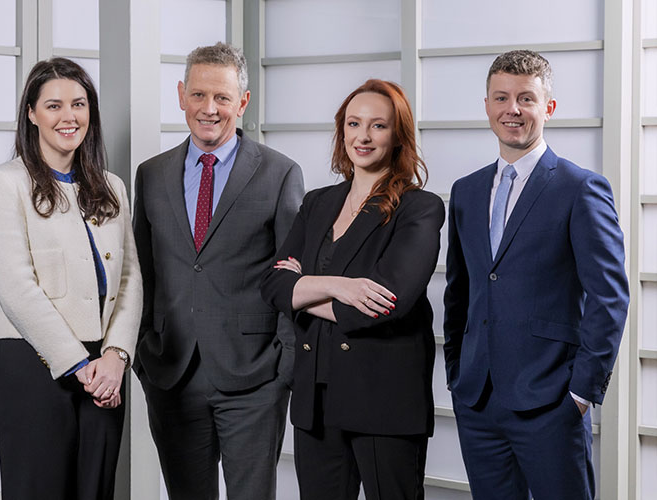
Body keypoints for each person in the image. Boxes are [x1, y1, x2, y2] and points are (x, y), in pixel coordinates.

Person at [443, 50, 629, 499]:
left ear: (548, 107)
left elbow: (610, 297)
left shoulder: (580, 188)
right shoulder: (466, 191)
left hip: (551, 402)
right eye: (502, 98)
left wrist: (581, 394)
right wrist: (456, 371)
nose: (513, 109)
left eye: (526, 98)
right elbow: (460, 291)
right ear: (486, 105)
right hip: (478, 401)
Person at [132, 42, 304, 500]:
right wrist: (143, 354)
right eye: (199, 95)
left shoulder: (279, 173)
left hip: (254, 377)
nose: (209, 109)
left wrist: (284, 366)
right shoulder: (151, 175)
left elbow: (292, 277)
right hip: (171, 371)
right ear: (181, 94)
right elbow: (141, 273)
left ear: (242, 102)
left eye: (223, 98)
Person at [261, 79, 444, 500]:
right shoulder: (317, 202)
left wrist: (303, 292)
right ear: (341, 131)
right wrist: (339, 287)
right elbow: (273, 285)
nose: (363, 136)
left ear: (398, 134)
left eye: (378, 126)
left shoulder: (420, 207)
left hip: (383, 401)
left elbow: (385, 303)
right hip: (316, 402)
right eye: (353, 123)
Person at [0, 57, 142, 500]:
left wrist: (116, 356)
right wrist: (79, 366)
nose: (68, 117)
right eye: (54, 105)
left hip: (104, 368)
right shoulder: (3, 183)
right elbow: (15, 287)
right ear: (31, 113)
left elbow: (129, 278)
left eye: (79, 104)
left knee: (96, 490)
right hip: (33, 363)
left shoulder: (112, 186)